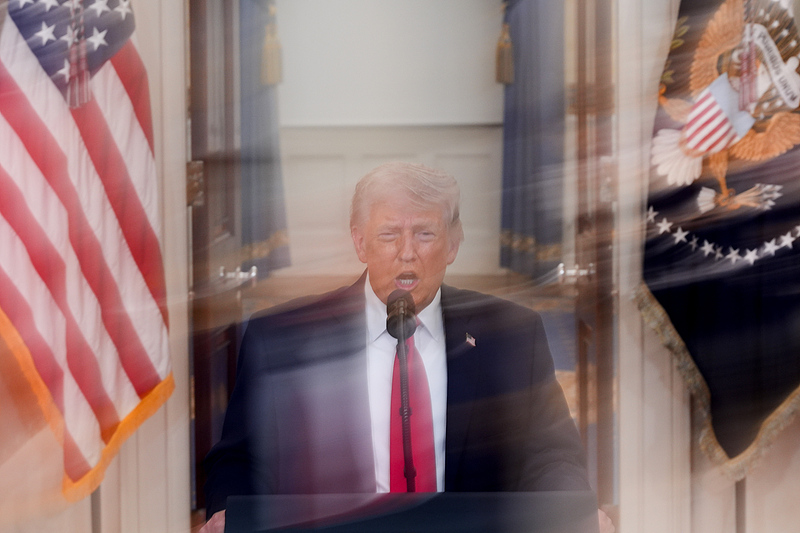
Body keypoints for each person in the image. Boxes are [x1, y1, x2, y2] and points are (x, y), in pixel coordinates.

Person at [200, 162, 598, 532]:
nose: (407, 252)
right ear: (360, 244)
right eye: (389, 234)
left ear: (453, 244)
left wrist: (569, 511)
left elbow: (552, 454)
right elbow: (238, 459)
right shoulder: (281, 338)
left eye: (425, 233)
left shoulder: (511, 335)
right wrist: (227, 514)